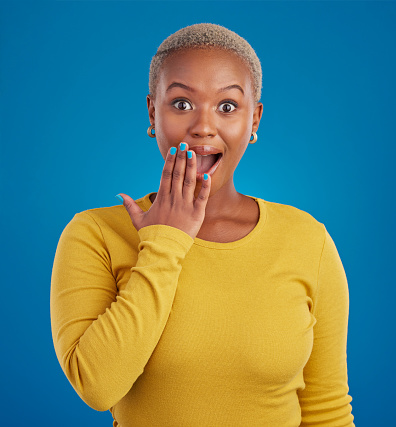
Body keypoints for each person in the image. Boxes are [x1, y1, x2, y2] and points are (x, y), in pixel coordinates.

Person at [50, 23, 355, 426]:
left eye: (227, 107)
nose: (203, 127)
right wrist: (165, 242)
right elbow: (97, 386)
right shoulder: (95, 235)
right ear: (152, 113)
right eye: (181, 104)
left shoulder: (307, 240)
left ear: (254, 120)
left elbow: (326, 410)